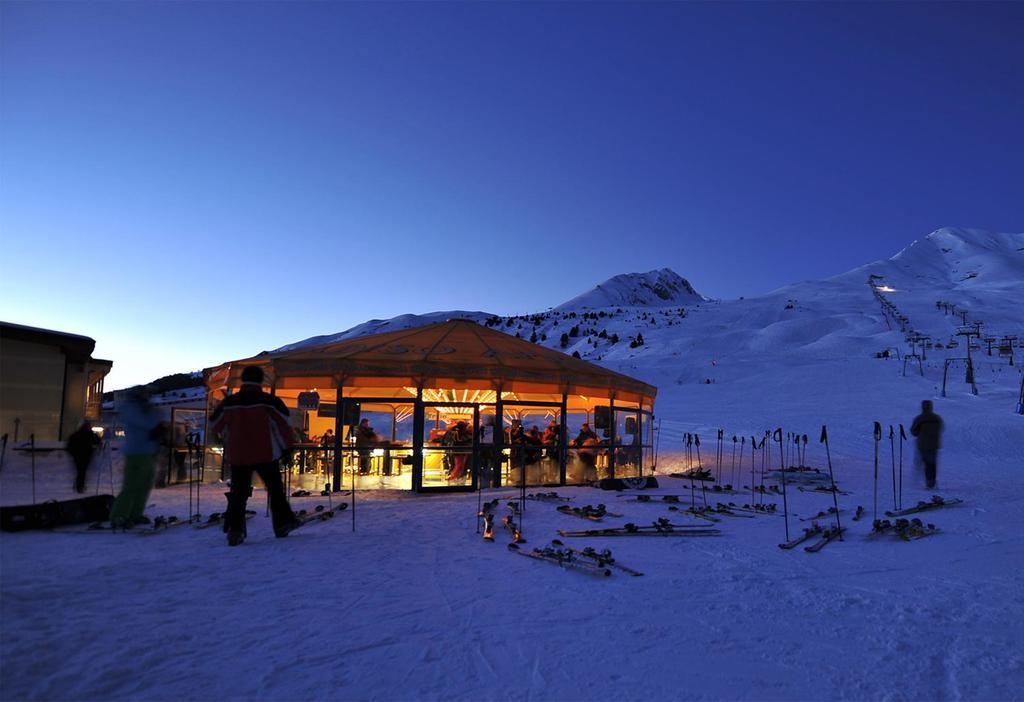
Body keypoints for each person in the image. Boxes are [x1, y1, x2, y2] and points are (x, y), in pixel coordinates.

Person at [210, 366, 298, 546]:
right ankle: (283, 524)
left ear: (243, 380)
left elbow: (215, 424)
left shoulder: (230, 402)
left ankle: (235, 531)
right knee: (275, 491)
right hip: (265, 453)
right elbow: (283, 426)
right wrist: (288, 448)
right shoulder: (269, 401)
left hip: (238, 454)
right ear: (261, 380)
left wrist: (227, 436)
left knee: (238, 493)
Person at [109, 387, 164, 527]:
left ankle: (135, 514)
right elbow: (149, 423)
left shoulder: (142, 408)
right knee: (131, 485)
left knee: (144, 485)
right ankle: (118, 516)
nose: (148, 397)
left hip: (147, 452)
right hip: (136, 452)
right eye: (145, 395)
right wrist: (156, 414)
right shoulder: (130, 408)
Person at [910, 399, 944, 489]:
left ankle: (927, 483)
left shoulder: (919, 419)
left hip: (923, 445)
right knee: (932, 464)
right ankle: (932, 481)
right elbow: (941, 428)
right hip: (934, 444)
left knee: (925, 463)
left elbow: (913, 431)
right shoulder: (937, 418)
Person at [66, 420, 100, 494]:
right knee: (82, 471)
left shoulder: (76, 434)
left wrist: (72, 453)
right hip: (86, 455)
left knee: (80, 471)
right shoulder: (90, 434)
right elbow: (98, 441)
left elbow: (69, 444)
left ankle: (79, 485)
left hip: (77, 455)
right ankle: (80, 486)